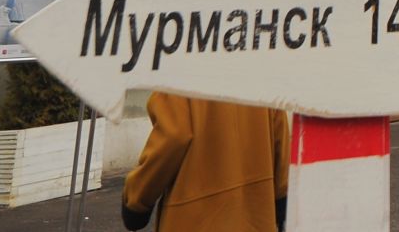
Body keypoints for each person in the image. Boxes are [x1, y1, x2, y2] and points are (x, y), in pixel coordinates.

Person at [120, 94, 289, 232]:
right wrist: (282, 199)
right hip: (255, 217)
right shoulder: (257, 64)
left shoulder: (185, 63)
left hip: (196, 219)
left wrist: (137, 201)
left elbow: (174, 136)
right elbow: (280, 134)